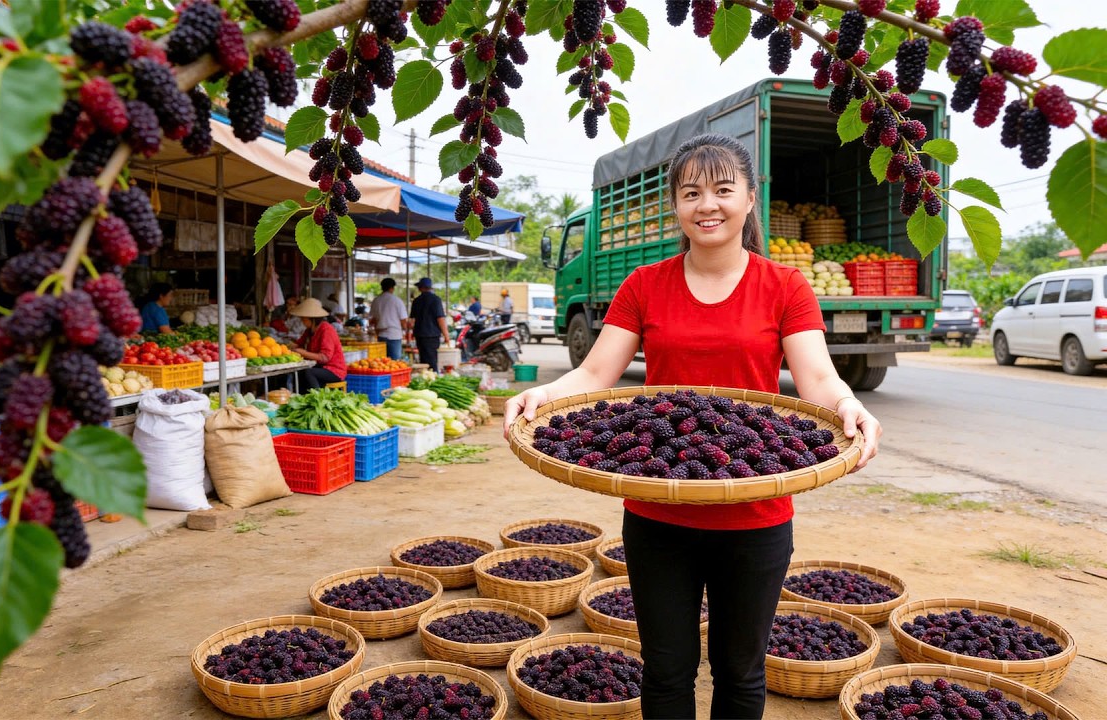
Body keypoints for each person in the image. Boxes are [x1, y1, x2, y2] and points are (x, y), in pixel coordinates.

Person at [503, 133, 882, 720]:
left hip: (756, 513)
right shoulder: (644, 285)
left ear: (750, 199)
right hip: (658, 514)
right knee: (666, 670)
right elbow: (596, 371)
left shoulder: (785, 287)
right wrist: (544, 393)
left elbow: (818, 380)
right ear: (675, 207)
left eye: (723, 190)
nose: (708, 204)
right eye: (692, 192)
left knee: (741, 673)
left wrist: (849, 404)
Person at [288, 298, 347, 390]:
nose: (302, 321)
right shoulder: (309, 331)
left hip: (334, 370)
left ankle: (317, 399)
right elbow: (299, 344)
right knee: (299, 374)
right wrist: (291, 347)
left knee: (309, 373)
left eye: (304, 319)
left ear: (312, 319)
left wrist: (302, 352)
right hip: (319, 367)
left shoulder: (326, 330)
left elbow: (325, 357)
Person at [410, 277, 452, 372]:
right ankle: (432, 378)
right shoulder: (436, 300)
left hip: (419, 335)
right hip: (432, 335)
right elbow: (440, 318)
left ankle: (425, 377)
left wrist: (410, 334)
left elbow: (412, 320)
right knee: (432, 361)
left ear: (421, 288)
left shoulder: (416, 301)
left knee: (423, 360)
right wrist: (446, 335)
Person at [370, 277, 409, 360]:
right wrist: (406, 331)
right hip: (394, 335)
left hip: (381, 335)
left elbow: (372, 320)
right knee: (394, 362)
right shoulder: (397, 301)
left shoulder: (376, 300)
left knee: (382, 363)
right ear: (392, 288)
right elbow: (403, 320)